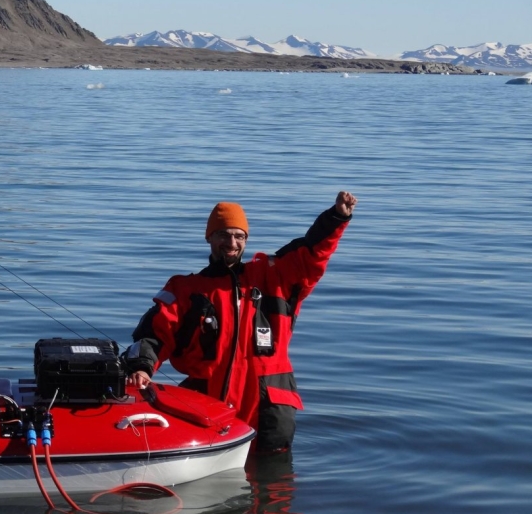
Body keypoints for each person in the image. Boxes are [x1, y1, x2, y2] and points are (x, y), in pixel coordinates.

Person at [123, 192, 357, 452]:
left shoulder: (275, 276)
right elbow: (154, 334)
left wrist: (336, 218)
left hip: (269, 408)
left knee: (273, 487)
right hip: (207, 405)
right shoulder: (186, 289)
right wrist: (141, 367)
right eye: (223, 234)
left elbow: (312, 251)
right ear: (209, 237)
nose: (231, 242)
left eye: (239, 236)